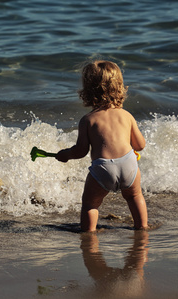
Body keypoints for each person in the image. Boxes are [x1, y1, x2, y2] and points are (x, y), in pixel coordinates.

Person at [55, 60, 148, 232]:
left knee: (90, 204)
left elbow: (81, 151)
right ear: (120, 87)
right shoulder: (126, 116)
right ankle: (142, 227)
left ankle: (89, 234)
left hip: (103, 169)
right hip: (129, 164)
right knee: (134, 195)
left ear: (87, 91)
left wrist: (65, 155)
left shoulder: (88, 120)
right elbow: (140, 145)